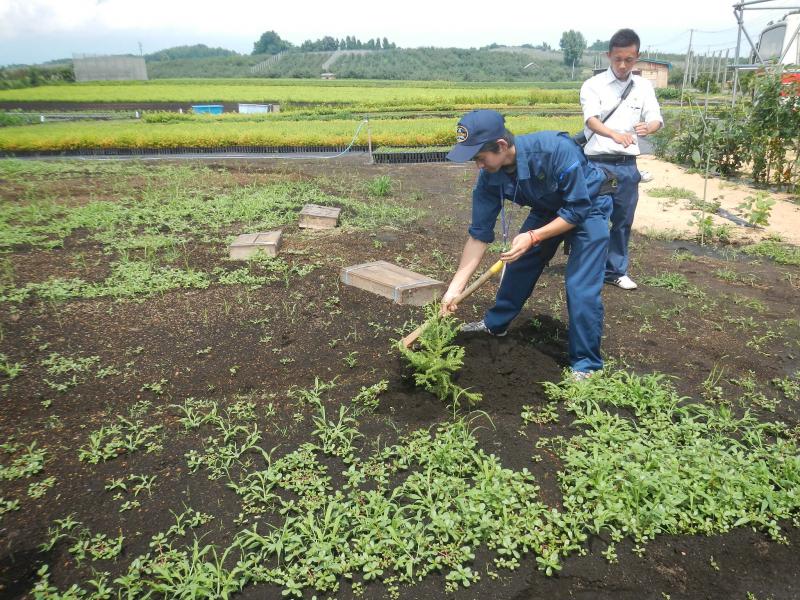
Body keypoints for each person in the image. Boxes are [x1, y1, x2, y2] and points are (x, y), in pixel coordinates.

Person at [441, 109, 613, 378]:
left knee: (580, 285)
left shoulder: (555, 150)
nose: (478, 166)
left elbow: (576, 211)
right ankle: (495, 325)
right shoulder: (489, 178)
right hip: (546, 209)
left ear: (500, 145)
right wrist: (455, 288)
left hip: (587, 207)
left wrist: (533, 236)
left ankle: (587, 365)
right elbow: (479, 234)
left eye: (480, 158)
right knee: (518, 263)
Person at [579, 28, 663, 290]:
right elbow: (591, 120)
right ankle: (588, 268)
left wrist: (649, 127)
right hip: (597, 163)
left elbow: (656, 118)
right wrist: (613, 134)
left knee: (623, 219)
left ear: (637, 57)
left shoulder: (644, 86)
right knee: (594, 219)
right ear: (609, 56)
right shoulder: (593, 85)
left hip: (628, 165)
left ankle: (615, 271)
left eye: (629, 59)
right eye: (618, 59)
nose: (623, 65)